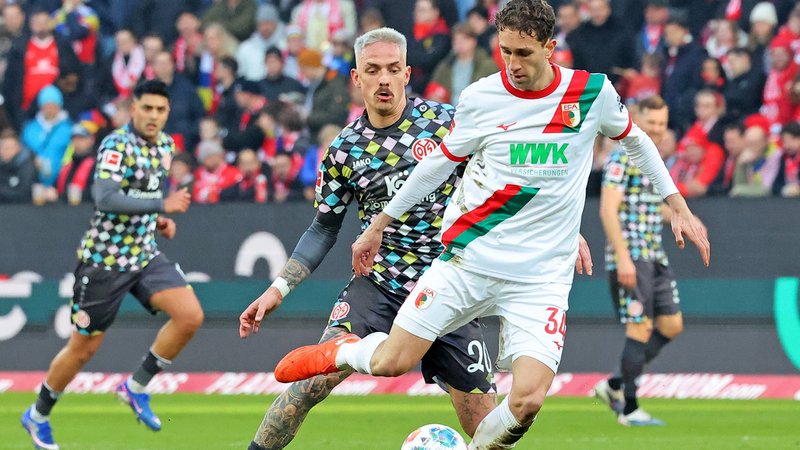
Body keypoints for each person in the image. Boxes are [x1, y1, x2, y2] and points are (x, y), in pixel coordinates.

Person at [271, 2, 710, 449]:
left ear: (550, 48)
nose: (513, 65)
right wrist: (379, 222)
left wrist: (676, 203)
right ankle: (337, 351)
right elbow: (436, 166)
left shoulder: (592, 94)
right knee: (390, 362)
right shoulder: (482, 97)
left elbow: (636, 141)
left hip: (540, 279)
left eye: (524, 53)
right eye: (505, 52)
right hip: (469, 262)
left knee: (527, 401)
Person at [238, 27, 501, 450]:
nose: (384, 79)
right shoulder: (344, 149)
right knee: (310, 384)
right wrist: (278, 288)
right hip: (378, 285)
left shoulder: (447, 124)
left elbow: (500, 178)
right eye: (373, 70)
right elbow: (324, 227)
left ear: (407, 74)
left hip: (446, 286)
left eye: (393, 69)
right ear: (357, 78)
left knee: (487, 426)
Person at [20, 80, 203, 450]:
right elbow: (105, 197)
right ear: (132, 108)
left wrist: (157, 221)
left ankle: (135, 387)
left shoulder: (166, 147)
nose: (153, 116)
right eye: (147, 108)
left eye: (160, 110)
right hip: (104, 260)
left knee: (190, 316)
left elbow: (143, 197)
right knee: (83, 349)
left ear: (167, 113)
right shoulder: (116, 144)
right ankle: (37, 414)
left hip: (144, 253)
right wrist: (161, 207)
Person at [593, 95, 687, 426]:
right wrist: (622, 258)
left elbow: (647, 206)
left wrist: (683, 217)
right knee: (640, 326)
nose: (657, 131)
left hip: (654, 254)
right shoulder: (621, 157)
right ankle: (629, 408)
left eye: (662, 125)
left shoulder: (653, 162)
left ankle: (615, 383)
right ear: (637, 120)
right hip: (630, 255)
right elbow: (608, 208)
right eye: (651, 124)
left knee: (671, 325)